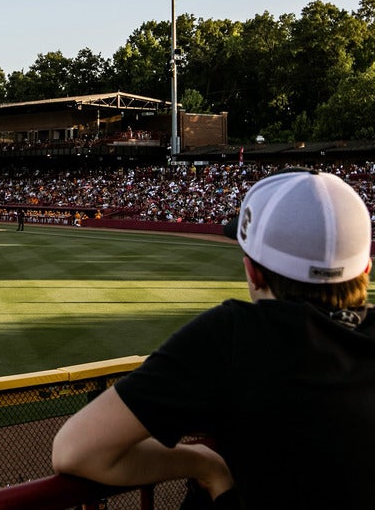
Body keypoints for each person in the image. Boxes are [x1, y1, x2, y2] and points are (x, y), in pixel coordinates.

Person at [52, 169, 375, 508]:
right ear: (365, 269)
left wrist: (204, 464)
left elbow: (74, 450)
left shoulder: (236, 335)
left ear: (253, 271)